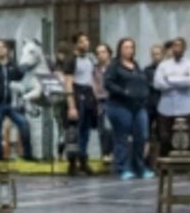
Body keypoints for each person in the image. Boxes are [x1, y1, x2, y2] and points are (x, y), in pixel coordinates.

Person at [103, 37, 152, 180]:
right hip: (119, 105)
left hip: (138, 105)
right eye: (126, 47)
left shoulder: (136, 65)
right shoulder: (114, 65)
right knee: (122, 137)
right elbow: (108, 83)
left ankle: (140, 166)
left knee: (141, 136)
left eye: (131, 47)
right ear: (120, 49)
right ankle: (123, 167)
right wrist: (123, 91)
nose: (129, 50)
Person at [0, 40, 32, 160]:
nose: (0, 49)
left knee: (24, 124)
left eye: (3, 47)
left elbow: (23, 79)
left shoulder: (14, 66)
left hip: (12, 104)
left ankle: (28, 155)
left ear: (7, 50)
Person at [152, 36, 190, 153]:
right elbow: (157, 84)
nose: (177, 48)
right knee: (164, 138)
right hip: (166, 108)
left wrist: (169, 79)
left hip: (187, 107)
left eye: (180, 46)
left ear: (184, 48)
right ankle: (164, 169)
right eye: (175, 46)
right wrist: (182, 79)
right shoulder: (163, 65)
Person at [62, 32, 98, 176]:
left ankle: (83, 160)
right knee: (74, 132)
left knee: (86, 130)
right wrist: (71, 106)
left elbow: (91, 79)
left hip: (88, 93)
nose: (86, 44)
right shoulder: (71, 60)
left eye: (87, 41)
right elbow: (68, 83)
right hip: (76, 93)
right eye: (82, 41)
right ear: (76, 44)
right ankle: (72, 163)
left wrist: (95, 98)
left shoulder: (90, 59)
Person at [92, 42, 114, 164]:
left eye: (103, 52)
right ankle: (104, 154)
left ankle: (112, 153)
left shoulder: (114, 67)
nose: (100, 55)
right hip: (100, 101)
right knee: (102, 130)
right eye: (98, 53)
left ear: (109, 53)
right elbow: (93, 84)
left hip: (113, 100)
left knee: (112, 129)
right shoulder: (95, 69)